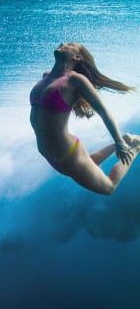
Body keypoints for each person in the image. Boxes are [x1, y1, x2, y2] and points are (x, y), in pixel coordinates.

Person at [30, 42, 140, 195]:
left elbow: (103, 111)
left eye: (70, 44)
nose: (63, 43)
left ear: (77, 57)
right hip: (49, 154)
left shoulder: (76, 80)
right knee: (89, 163)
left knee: (109, 187)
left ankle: (135, 146)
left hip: (67, 154)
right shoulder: (46, 76)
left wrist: (118, 142)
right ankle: (126, 138)